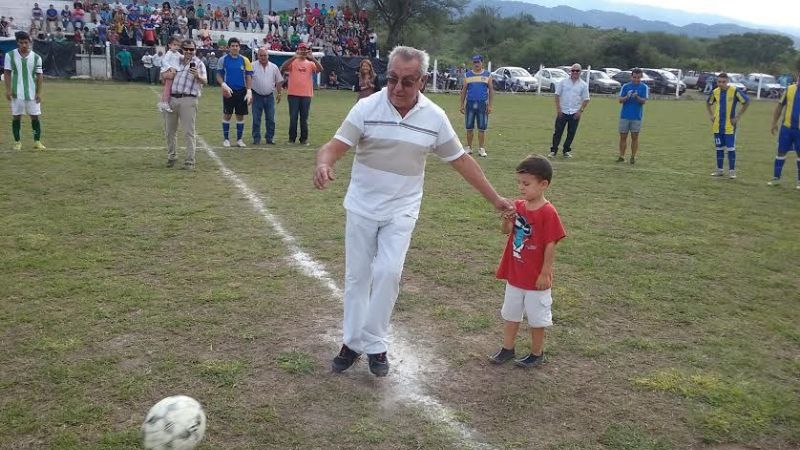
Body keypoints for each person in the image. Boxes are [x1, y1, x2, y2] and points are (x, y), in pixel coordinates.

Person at [313, 45, 514, 378]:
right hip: (362, 205)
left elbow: (461, 160)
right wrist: (323, 163)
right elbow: (334, 147)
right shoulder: (366, 108)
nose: (397, 88)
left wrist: (495, 199)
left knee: (389, 272)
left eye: (407, 81)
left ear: (421, 81)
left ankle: (375, 344)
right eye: (392, 79)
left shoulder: (433, 117)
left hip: (402, 209)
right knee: (357, 277)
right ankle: (351, 343)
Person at [490, 154, 566, 368]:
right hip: (516, 274)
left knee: (536, 318)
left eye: (526, 184)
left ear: (543, 185)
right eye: (519, 183)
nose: (521, 188)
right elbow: (507, 232)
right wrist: (506, 221)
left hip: (535, 279)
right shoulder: (519, 207)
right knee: (511, 314)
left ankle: (536, 353)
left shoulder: (548, 212)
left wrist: (545, 272)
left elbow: (551, 243)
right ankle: (507, 348)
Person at [162, 39, 206, 169]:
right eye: (186, 49)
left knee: (188, 131)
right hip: (172, 98)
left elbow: (205, 81)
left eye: (191, 49)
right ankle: (172, 156)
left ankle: (190, 161)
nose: (188, 51)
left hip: (189, 99)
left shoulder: (199, 64)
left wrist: (198, 76)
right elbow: (163, 75)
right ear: (182, 49)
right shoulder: (175, 60)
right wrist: (166, 75)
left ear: (195, 50)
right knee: (170, 131)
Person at [4, 32, 46, 151]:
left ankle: (37, 141)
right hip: (16, 93)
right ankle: (17, 142)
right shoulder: (10, 55)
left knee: (35, 117)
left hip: (32, 93)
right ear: (17, 42)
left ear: (30, 42)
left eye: (26, 42)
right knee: (16, 117)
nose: (23, 45)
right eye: (21, 42)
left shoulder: (37, 57)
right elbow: (7, 73)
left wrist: (38, 92)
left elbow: (39, 76)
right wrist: (8, 90)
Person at [706, 72, 749, 179]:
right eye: (719, 82)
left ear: (727, 81)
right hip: (717, 126)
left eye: (723, 82)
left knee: (730, 148)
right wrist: (711, 115)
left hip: (729, 125)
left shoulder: (734, 91)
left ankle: (732, 171)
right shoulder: (715, 92)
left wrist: (738, 117)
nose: (721, 84)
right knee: (719, 148)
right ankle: (719, 170)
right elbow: (708, 103)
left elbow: (746, 102)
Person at [280, 42, 321, 145]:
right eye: (301, 49)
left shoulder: (310, 63)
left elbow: (320, 69)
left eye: (305, 49)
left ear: (308, 50)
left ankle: (304, 139)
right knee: (293, 117)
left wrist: (313, 58)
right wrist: (294, 57)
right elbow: (283, 68)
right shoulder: (293, 62)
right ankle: (291, 139)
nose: (303, 51)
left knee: (304, 118)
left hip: (306, 95)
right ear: (298, 50)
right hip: (293, 94)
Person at [216, 37, 253, 148]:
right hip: (228, 91)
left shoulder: (244, 60)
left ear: (239, 47)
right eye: (232, 46)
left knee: (240, 116)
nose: (235, 48)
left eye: (236, 46)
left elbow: (248, 76)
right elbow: (218, 75)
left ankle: (239, 140)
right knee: (227, 114)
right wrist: (223, 85)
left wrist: (249, 90)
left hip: (241, 91)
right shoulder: (223, 60)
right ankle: (226, 139)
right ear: (229, 47)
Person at [767, 65, 800, 189]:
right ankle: (776, 178)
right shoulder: (790, 89)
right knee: (781, 151)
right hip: (786, 128)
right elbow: (780, 106)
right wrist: (774, 122)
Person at [549, 63, 589, 158]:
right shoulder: (563, 82)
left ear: (580, 72)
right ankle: (553, 150)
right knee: (558, 132)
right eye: (573, 70)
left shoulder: (583, 85)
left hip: (575, 112)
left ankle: (566, 150)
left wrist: (580, 111)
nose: (575, 72)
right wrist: (558, 109)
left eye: (577, 71)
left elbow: (586, 99)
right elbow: (557, 95)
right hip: (563, 111)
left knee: (571, 133)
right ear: (570, 71)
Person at [459, 54, 493, 157]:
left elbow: (491, 90)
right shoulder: (468, 75)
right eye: (474, 62)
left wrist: (490, 105)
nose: (476, 64)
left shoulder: (488, 75)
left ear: (482, 63)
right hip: (470, 103)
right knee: (469, 126)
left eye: (478, 62)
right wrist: (461, 104)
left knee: (481, 127)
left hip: (482, 104)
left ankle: (481, 148)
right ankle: (468, 147)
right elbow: (464, 90)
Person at [250, 47, 283, 145]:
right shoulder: (252, 66)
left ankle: (270, 138)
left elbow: (278, 81)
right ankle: (256, 138)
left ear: (268, 56)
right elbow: (247, 79)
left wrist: (279, 93)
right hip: (256, 96)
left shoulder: (274, 67)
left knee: (271, 119)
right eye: (261, 55)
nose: (263, 57)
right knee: (256, 119)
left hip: (269, 97)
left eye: (265, 55)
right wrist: (249, 93)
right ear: (258, 56)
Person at [617, 67, 649, 164]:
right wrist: (627, 96)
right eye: (634, 77)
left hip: (636, 117)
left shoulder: (644, 87)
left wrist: (636, 97)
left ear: (641, 77)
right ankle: (622, 156)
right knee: (623, 137)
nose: (636, 79)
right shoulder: (625, 86)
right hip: (624, 116)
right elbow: (620, 100)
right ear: (631, 77)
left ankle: (633, 156)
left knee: (635, 137)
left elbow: (643, 101)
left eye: (638, 77)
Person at [158, 36, 182, 113]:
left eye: (178, 45)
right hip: (169, 72)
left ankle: (161, 104)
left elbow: (182, 57)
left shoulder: (177, 53)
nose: (176, 47)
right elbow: (164, 61)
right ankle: (165, 103)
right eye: (174, 45)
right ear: (169, 45)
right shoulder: (169, 53)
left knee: (169, 88)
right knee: (168, 88)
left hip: (174, 73)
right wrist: (170, 68)